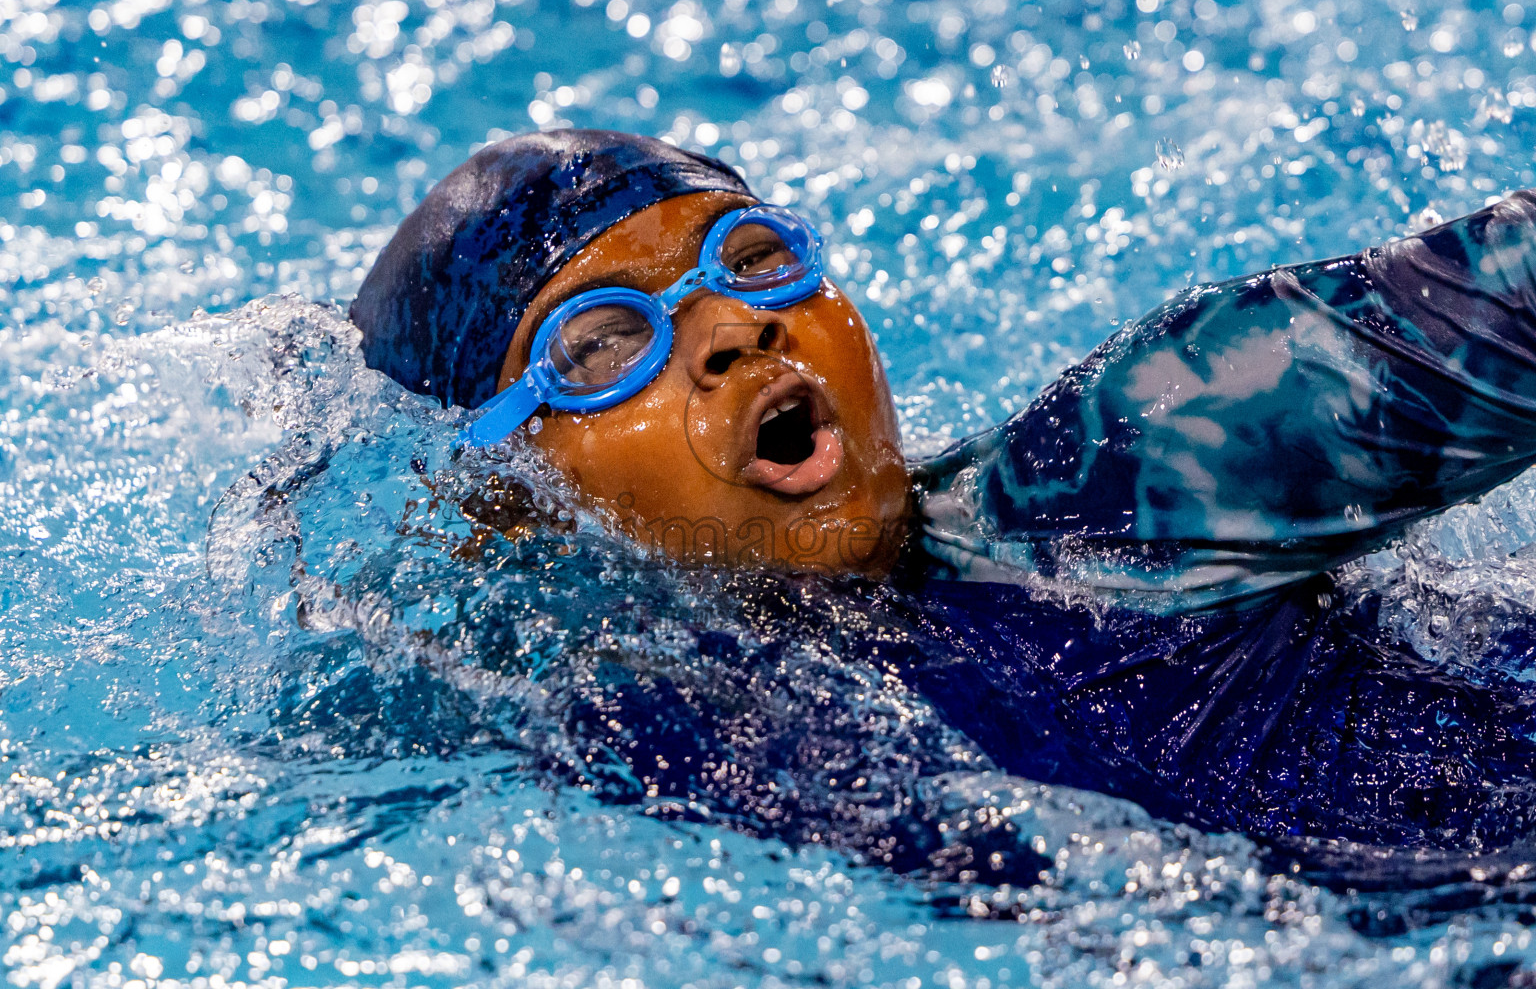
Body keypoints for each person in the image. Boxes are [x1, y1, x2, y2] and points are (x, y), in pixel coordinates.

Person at [348, 128, 1536, 869]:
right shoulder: (613, 739)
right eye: (604, 344)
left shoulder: (1121, 475)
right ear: (506, 502)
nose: (732, 327)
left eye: (753, 256)